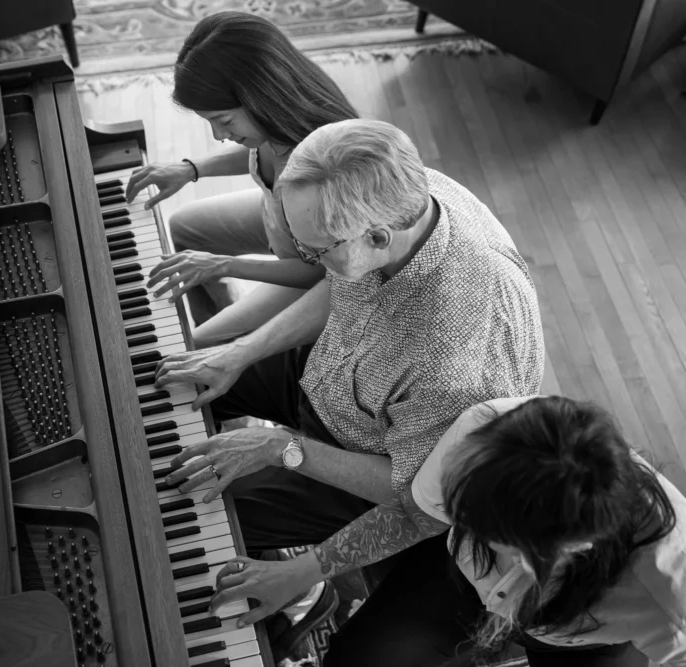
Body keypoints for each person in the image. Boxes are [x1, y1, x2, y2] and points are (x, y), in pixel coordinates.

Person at [154, 118, 545, 653]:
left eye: (313, 252)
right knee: (167, 385)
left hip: (367, 469)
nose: (306, 260)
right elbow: (344, 280)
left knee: (180, 512)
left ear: (378, 235)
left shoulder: (456, 362)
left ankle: (303, 596)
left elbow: (414, 499)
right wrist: (240, 353)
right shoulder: (402, 201)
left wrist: (279, 447)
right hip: (331, 379)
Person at [304, 395, 685, 667]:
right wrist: (300, 572)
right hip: (463, 578)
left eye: (483, 524)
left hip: (581, 644)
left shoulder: (668, 599)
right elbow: (414, 515)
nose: (459, 515)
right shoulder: (486, 424)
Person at [124, 11, 359, 348]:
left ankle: (229, 347)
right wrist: (191, 169)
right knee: (184, 228)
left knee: (196, 343)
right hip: (280, 223)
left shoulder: (325, 169)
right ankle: (231, 324)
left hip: (312, 271)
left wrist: (224, 266)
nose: (218, 135)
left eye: (223, 121)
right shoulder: (278, 118)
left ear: (260, 94)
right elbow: (262, 146)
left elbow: (325, 272)